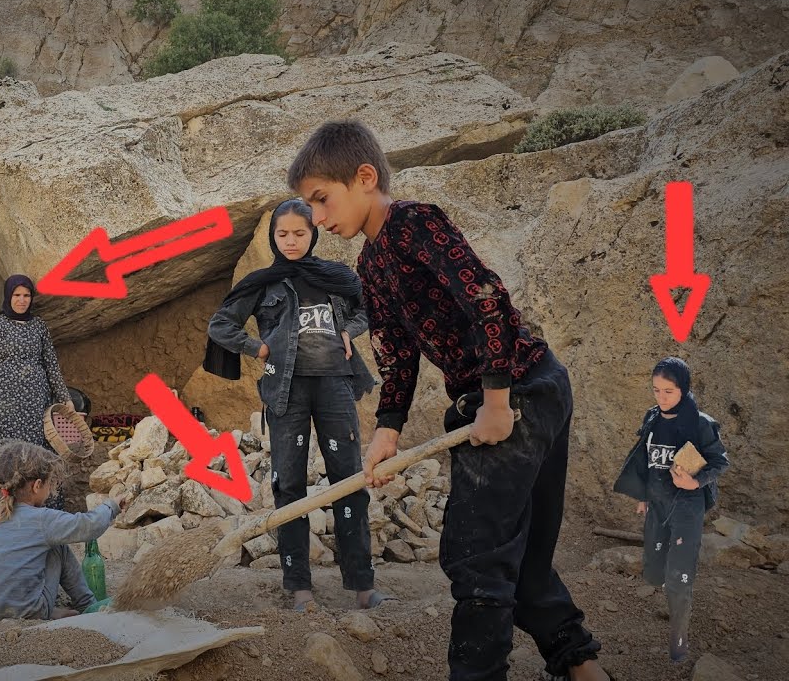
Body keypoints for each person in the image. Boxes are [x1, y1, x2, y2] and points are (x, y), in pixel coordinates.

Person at [288, 120, 612, 681]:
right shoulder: (370, 264)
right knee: (526, 561)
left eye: (321, 199)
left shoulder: (416, 223)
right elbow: (395, 351)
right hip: (518, 391)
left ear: (365, 178)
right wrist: (387, 429)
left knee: (475, 554)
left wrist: (494, 399)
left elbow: (488, 299)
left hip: (522, 392)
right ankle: (582, 668)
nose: (315, 218)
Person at [205, 198, 385, 612]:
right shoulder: (262, 281)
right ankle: (298, 587)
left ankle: (363, 587)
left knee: (349, 481)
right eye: (282, 234)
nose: (290, 241)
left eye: (299, 233)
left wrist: (351, 330)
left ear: (313, 233)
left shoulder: (335, 276)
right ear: (273, 235)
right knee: (289, 485)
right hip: (284, 391)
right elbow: (221, 324)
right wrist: (258, 347)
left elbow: (367, 306)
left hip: (336, 387)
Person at [613, 357, 729, 662]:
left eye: (669, 392)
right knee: (654, 571)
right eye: (656, 390)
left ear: (684, 390)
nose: (661, 398)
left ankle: (679, 639)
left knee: (679, 575)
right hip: (658, 505)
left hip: (686, 508)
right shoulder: (652, 418)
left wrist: (696, 482)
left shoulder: (700, 423)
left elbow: (720, 461)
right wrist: (643, 495)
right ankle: (674, 600)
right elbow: (646, 459)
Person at [0, 275, 74, 509]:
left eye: (26, 295)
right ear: (8, 296)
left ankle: (32, 506)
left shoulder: (39, 326)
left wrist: (65, 398)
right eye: (17, 295)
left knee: (32, 452)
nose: (21, 300)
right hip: (0, 402)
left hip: (34, 403)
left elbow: (51, 365)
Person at [0, 441, 125, 620]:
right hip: (28, 611)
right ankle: (87, 604)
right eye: (50, 484)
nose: (51, 490)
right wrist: (112, 506)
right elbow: (88, 526)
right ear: (37, 485)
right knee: (57, 547)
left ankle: (51, 610)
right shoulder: (42, 520)